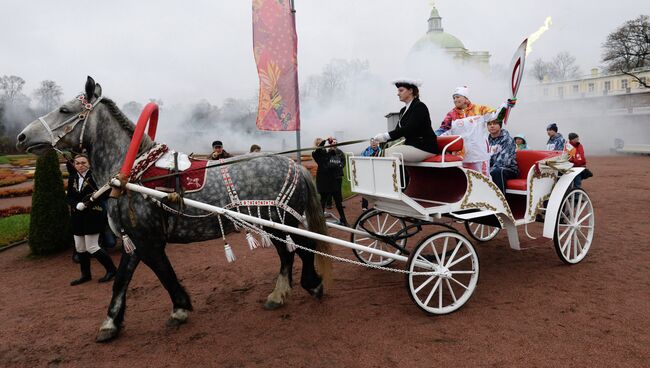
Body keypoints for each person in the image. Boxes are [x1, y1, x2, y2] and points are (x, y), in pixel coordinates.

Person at [66, 154, 116, 286]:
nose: (80, 165)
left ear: (89, 164)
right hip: (77, 215)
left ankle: (112, 270)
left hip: (92, 215)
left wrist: (88, 202)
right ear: (74, 165)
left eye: (83, 163)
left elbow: (105, 194)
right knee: (80, 247)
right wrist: (76, 204)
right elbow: (69, 197)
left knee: (92, 246)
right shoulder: (73, 178)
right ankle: (85, 275)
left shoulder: (95, 176)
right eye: (77, 163)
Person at [437, 86, 500, 177]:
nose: (455, 100)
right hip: (462, 156)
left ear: (465, 98)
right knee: (466, 181)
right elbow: (443, 129)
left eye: (458, 97)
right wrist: (432, 136)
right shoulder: (452, 114)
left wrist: (506, 105)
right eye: (454, 98)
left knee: (483, 179)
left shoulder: (479, 109)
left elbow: (496, 115)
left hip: (479, 155)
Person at [373, 79, 438, 162]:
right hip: (413, 146)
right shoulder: (403, 110)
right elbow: (397, 131)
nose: (398, 93)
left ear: (410, 91)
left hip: (425, 147)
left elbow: (409, 128)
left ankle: (395, 175)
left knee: (388, 153)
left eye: (401, 90)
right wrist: (380, 139)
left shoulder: (420, 107)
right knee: (383, 152)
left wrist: (385, 136)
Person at [312, 136, 349, 226]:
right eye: (319, 144)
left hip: (333, 180)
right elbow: (319, 150)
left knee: (338, 202)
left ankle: (343, 220)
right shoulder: (316, 154)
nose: (322, 146)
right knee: (323, 202)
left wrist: (331, 141)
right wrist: (324, 141)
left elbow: (333, 150)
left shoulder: (328, 152)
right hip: (323, 181)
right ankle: (320, 222)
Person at [487, 119, 519, 195]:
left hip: (509, 169)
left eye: (495, 123)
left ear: (500, 125)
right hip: (492, 169)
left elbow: (504, 161)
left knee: (497, 172)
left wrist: (488, 170)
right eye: (489, 124)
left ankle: (500, 203)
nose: (492, 126)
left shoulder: (507, 140)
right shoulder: (486, 140)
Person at [360, 138, 381, 210]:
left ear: (378, 143)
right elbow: (361, 161)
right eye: (372, 142)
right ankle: (364, 206)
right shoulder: (366, 151)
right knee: (366, 189)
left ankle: (378, 206)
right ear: (370, 143)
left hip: (378, 172)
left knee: (378, 190)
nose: (374, 143)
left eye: (375, 142)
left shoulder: (381, 150)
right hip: (368, 172)